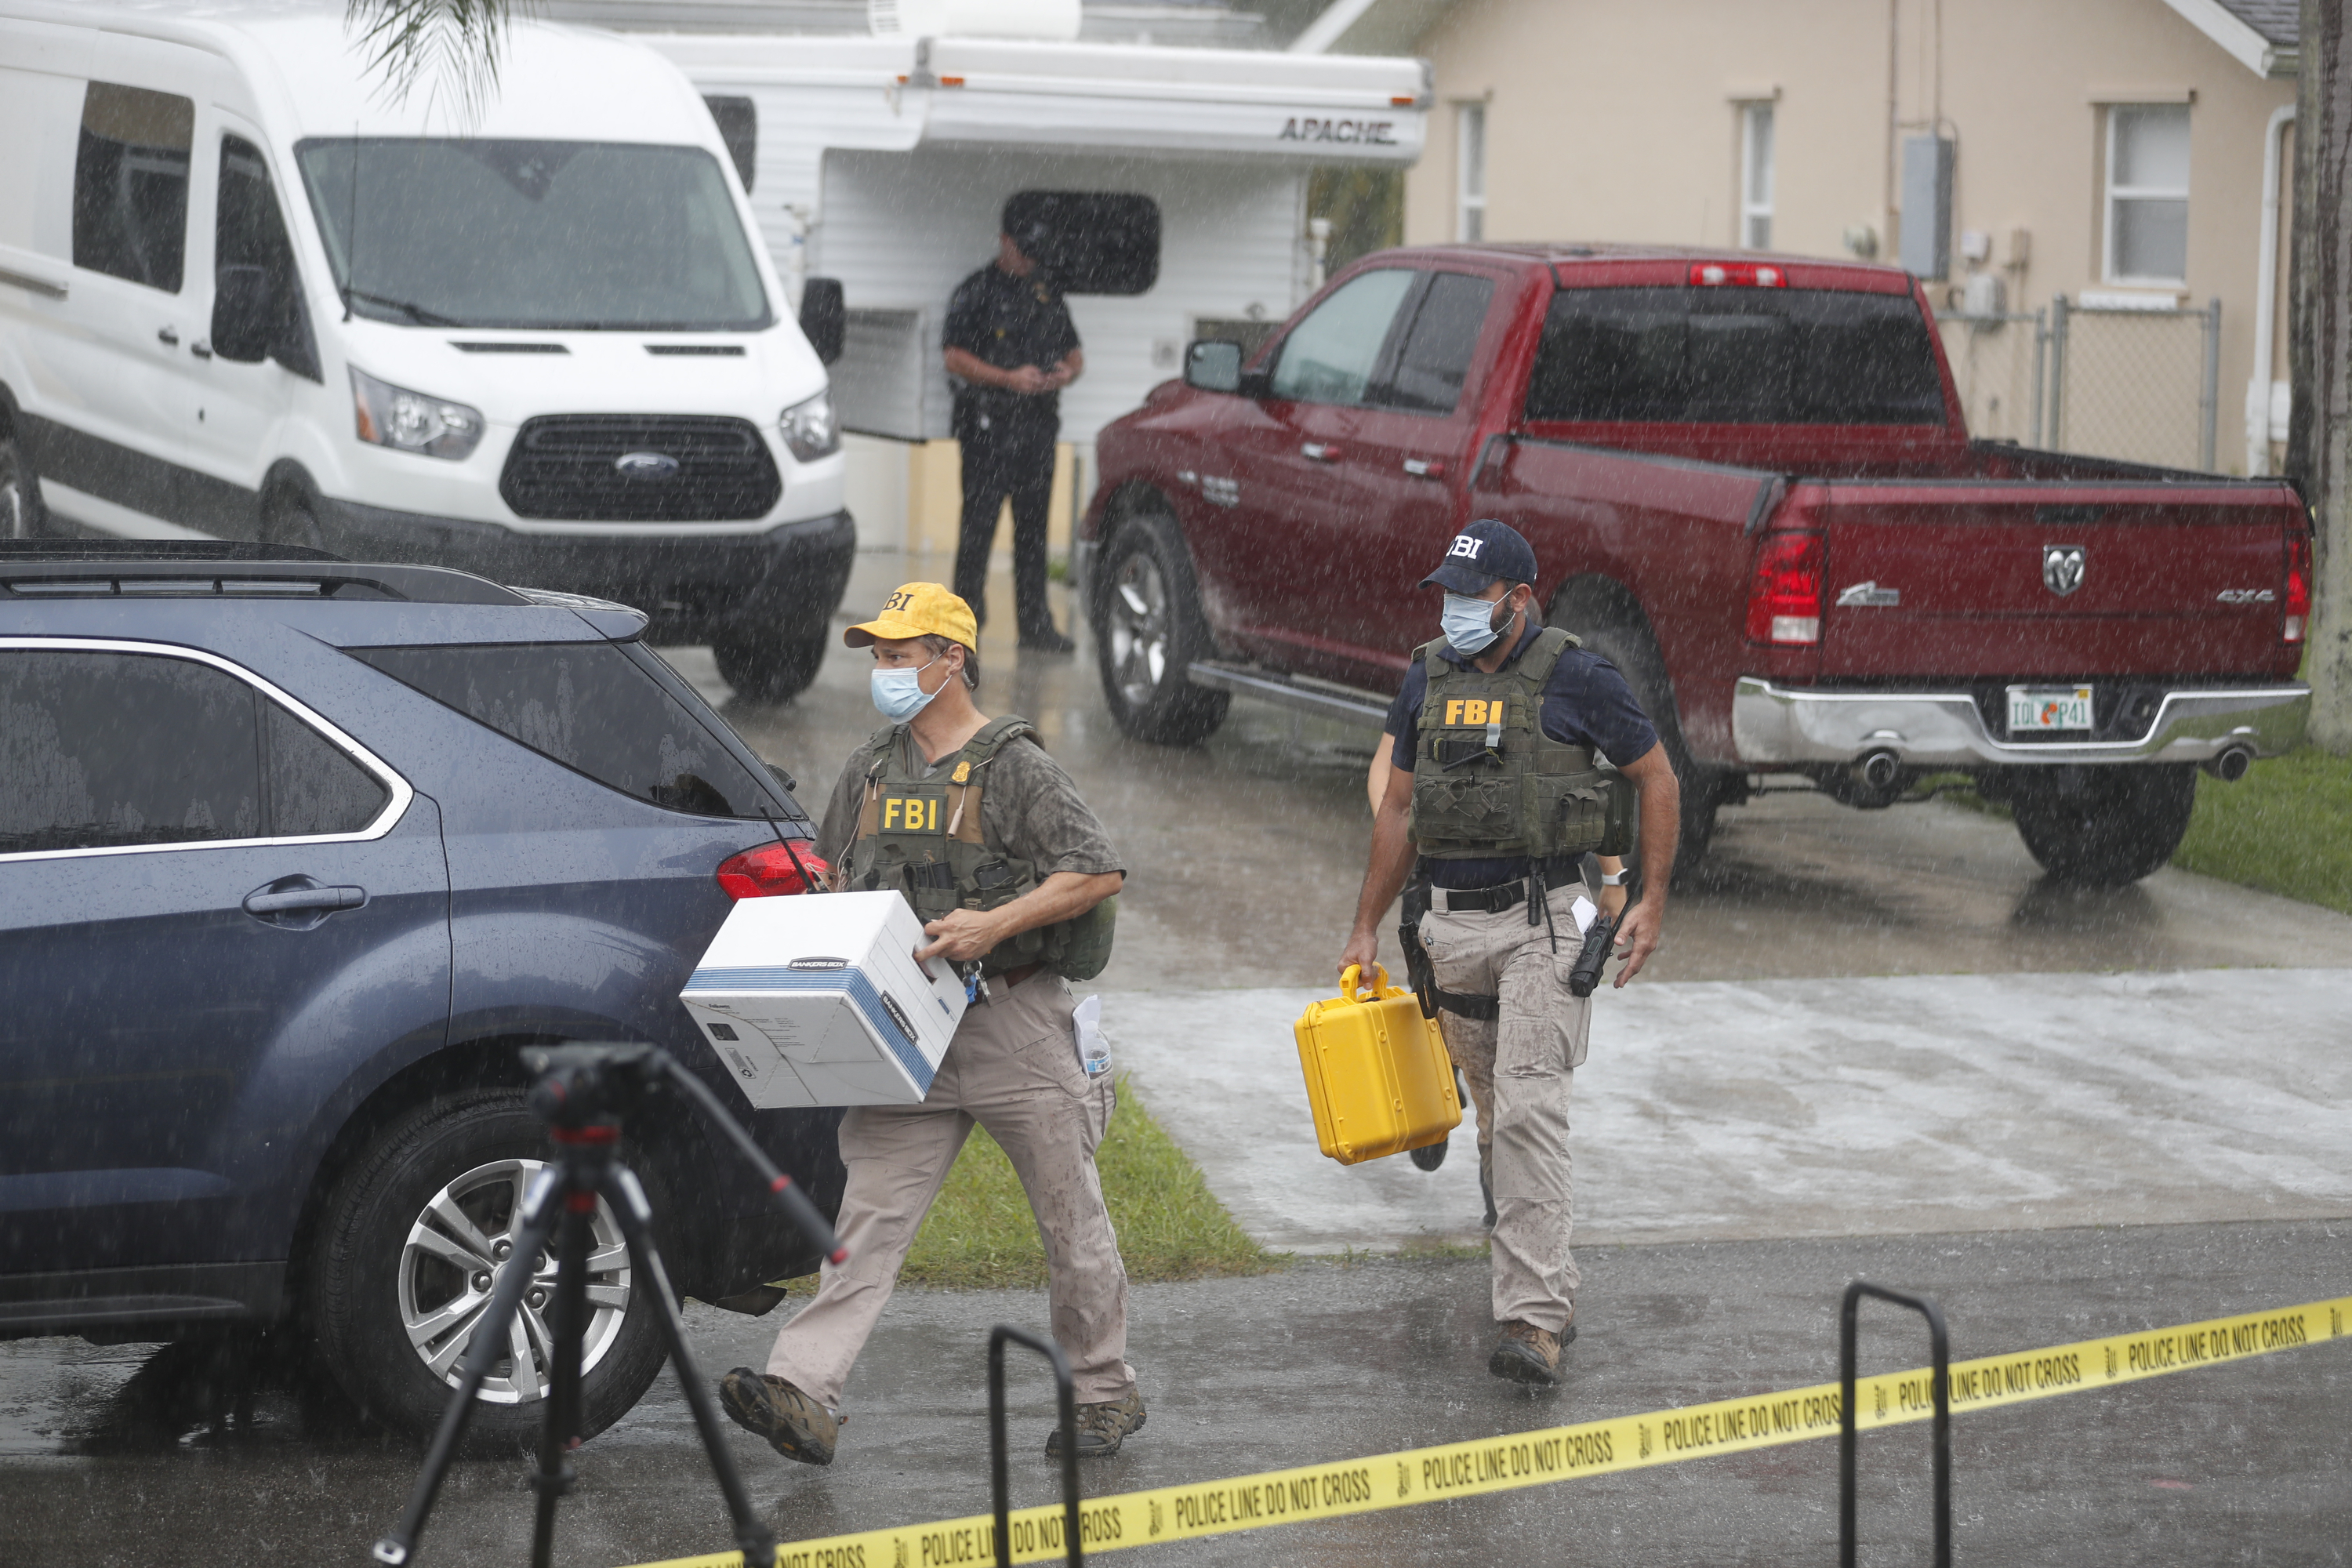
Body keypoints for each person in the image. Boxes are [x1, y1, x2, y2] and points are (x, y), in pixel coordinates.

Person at [720, 583, 1142, 1463]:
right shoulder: (872, 766)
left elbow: (1096, 869)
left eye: (901, 654)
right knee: (868, 1217)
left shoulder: (1013, 763)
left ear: (953, 659)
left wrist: (993, 923)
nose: (885, 670)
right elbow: (835, 879)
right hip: (905, 1030)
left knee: (1072, 1222)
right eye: (877, 655)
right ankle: (803, 1387)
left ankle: (1102, 1390)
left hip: (1013, 1020)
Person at [1337, 519, 1681, 1388]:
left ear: (1520, 596)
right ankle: (1542, 1268)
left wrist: (1648, 896)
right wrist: (1366, 925)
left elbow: (1657, 776)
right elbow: (1398, 809)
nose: (1456, 610)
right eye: (1447, 594)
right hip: (1448, 928)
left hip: (1546, 922)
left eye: (1472, 594)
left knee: (1530, 1110)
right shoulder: (1427, 676)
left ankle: (1533, 1319)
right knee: (1495, 1116)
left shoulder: (1578, 674)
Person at [942, 212, 1084, 652]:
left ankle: (1035, 624)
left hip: (1037, 430)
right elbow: (953, 356)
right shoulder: (976, 291)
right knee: (978, 531)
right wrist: (1008, 378)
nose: (1028, 260)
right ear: (1005, 241)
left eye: (1034, 253)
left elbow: (1075, 351)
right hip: (988, 430)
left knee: (1033, 531)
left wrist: (1065, 372)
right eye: (1023, 250)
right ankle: (963, 629)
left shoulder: (1046, 292)